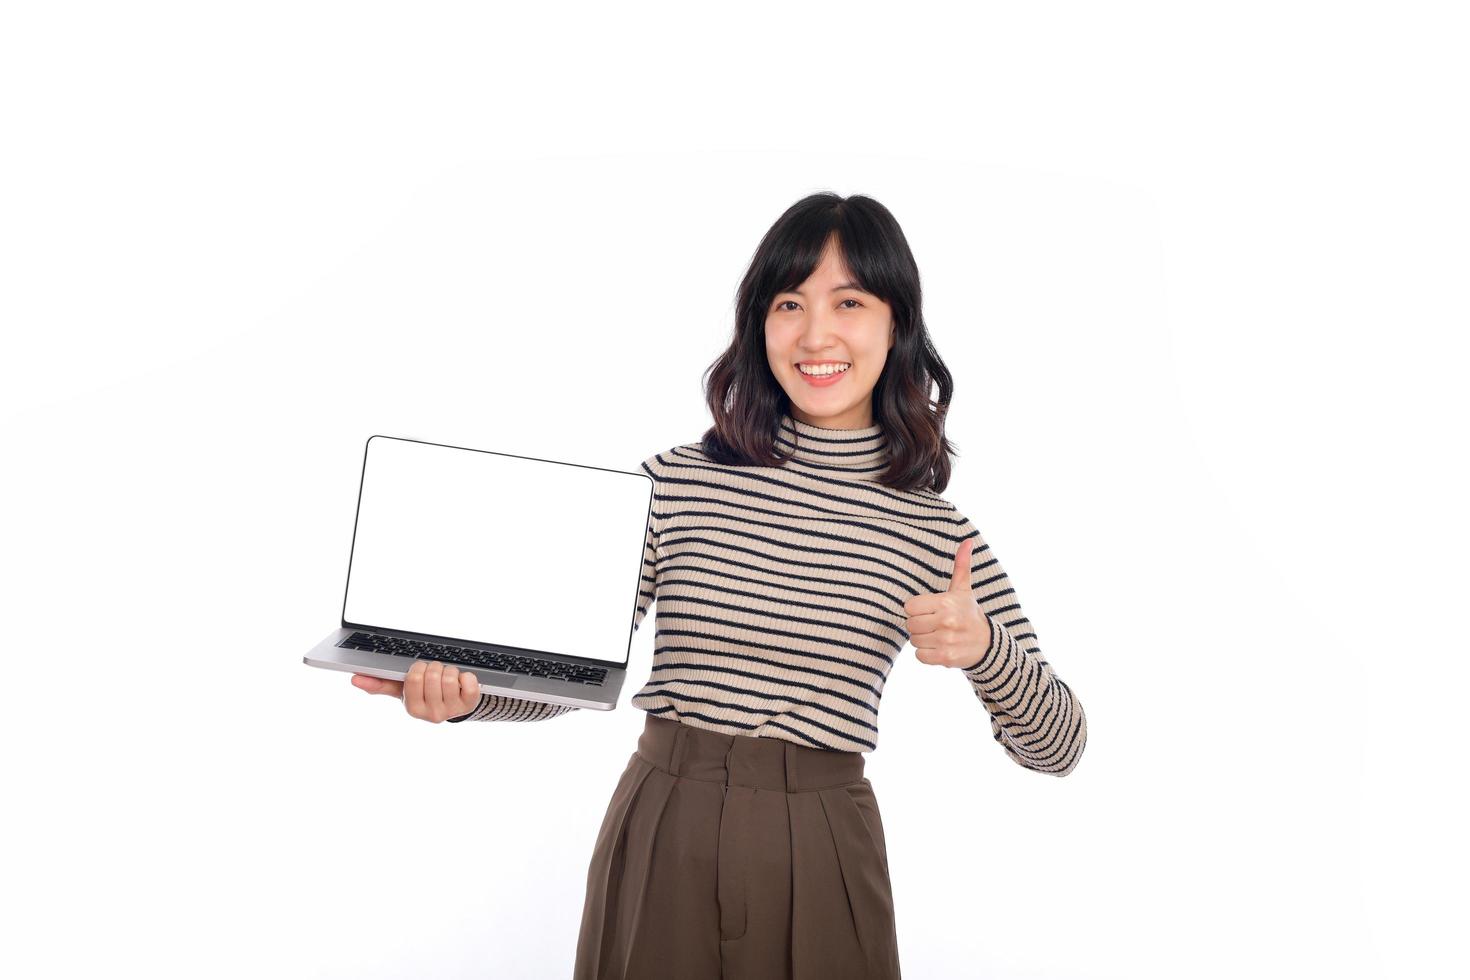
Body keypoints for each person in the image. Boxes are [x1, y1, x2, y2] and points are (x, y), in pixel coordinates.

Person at [351, 191, 1088, 979]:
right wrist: (471, 695)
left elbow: (1059, 747)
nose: (816, 334)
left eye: (850, 302)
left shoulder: (936, 534)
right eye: (789, 302)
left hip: (825, 847)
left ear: (897, 323)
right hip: (664, 827)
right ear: (758, 322)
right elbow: (573, 673)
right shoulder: (676, 483)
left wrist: (985, 650)